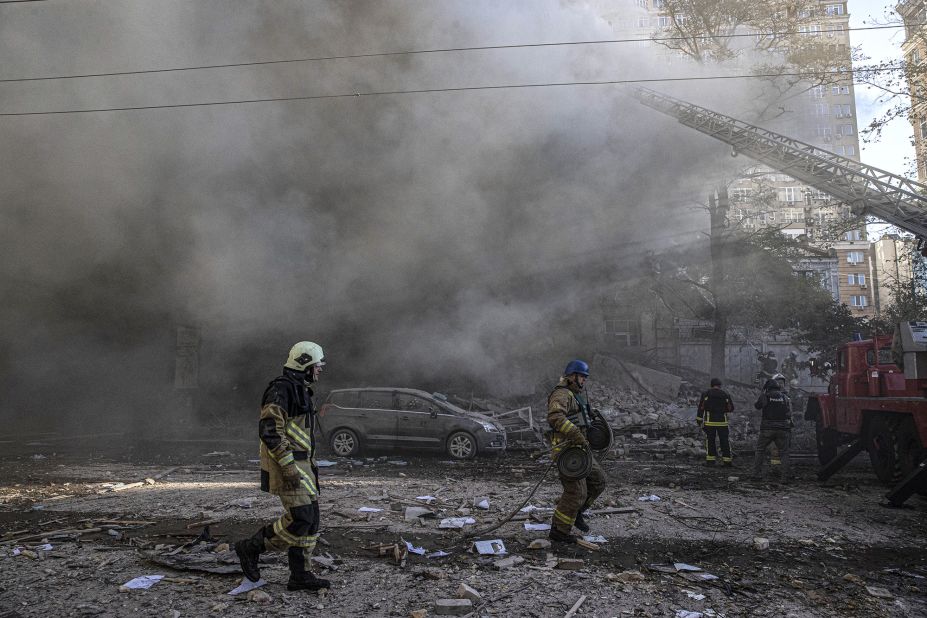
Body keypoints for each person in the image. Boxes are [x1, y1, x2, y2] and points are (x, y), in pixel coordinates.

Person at [234, 341, 331, 591]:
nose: (320, 369)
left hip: (304, 465)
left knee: (311, 521)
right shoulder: (281, 389)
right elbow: (270, 430)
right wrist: (288, 466)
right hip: (287, 464)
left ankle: (300, 575)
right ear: (305, 364)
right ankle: (251, 548)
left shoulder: (300, 389)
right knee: (301, 518)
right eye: (317, 365)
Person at [547, 359, 607, 543]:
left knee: (598, 481)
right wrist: (575, 433)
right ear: (572, 376)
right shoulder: (561, 394)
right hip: (567, 451)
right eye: (582, 377)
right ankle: (559, 531)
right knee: (576, 493)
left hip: (580, 448)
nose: (584, 380)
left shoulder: (575, 395)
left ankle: (577, 512)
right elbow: (555, 417)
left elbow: (579, 417)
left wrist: (591, 416)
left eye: (585, 377)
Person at [751, 378, 793, 483]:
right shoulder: (785, 397)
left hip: (767, 429)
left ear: (768, 388)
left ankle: (755, 475)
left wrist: (762, 393)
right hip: (782, 429)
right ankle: (785, 478)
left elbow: (757, 406)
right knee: (784, 453)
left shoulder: (765, 396)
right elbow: (788, 413)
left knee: (760, 450)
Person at [696, 378, 734, 466]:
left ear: (711, 385)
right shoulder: (725, 394)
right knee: (724, 441)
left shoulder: (706, 394)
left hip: (710, 422)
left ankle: (710, 461)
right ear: (720, 385)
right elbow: (731, 408)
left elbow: (701, 408)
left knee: (710, 441)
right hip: (722, 422)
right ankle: (727, 461)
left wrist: (699, 420)